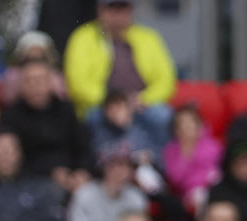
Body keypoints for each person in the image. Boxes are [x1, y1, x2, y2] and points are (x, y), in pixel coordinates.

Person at [64, 0, 176, 150]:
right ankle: (99, 168)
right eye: (111, 7)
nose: (117, 13)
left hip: (141, 103)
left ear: (131, 10)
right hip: (101, 103)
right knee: (92, 118)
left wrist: (142, 99)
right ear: (100, 10)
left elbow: (166, 79)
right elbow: (77, 83)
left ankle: (157, 167)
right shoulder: (83, 37)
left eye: (122, 7)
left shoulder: (148, 37)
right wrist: (113, 102)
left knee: (163, 117)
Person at [0, 59, 90, 191]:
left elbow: (82, 146)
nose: (35, 86)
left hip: (70, 178)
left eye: (40, 80)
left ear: (50, 83)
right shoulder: (11, 116)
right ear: (21, 86)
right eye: (29, 81)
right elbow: (9, 159)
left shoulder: (66, 110)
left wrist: (82, 171)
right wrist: (49, 173)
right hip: (28, 182)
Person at [67, 145, 147, 221]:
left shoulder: (136, 197)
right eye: (115, 165)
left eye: (126, 165)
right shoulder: (84, 194)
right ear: (103, 167)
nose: (121, 170)